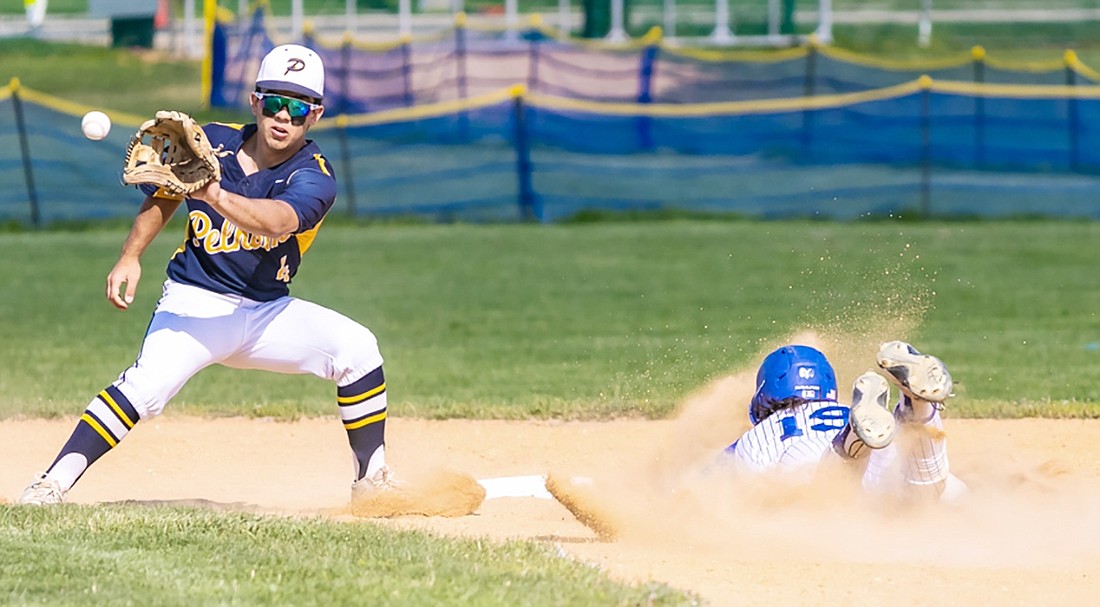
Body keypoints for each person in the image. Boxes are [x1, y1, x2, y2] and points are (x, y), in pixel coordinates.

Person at [20, 44, 396, 506]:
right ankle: (50, 483)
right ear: (256, 102)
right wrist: (130, 255)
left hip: (266, 313)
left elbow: (277, 221)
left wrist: (213, 194)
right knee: (145, 387)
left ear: (314, 116)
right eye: (275, 102)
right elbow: (164, 197)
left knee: (357, 348)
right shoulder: (211, 142)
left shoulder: (315, 176)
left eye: (297, 108)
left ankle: (371, 482)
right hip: (193, 303)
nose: (283, 117)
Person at [722, 340, 968, 501]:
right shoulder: (842, 409)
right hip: (880, 452)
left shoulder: (760, 435)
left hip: (812, 465)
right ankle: (918, 407)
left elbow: (708, 484)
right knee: (932, 493)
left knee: (825, 497)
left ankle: (851, 442)